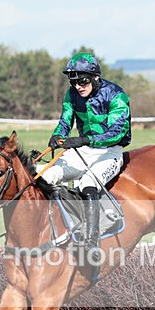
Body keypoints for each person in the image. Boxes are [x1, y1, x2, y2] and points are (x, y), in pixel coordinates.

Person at [39, 52, 132, 253]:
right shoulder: (72, 95)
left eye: (82, 81)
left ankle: (91, 240)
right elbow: (65, 121)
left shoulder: (116, 95)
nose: (78, 87)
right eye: (74, 83)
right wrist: (58, 137)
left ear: (95, 77)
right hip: (84, 150)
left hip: (110, 151)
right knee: (46, 177)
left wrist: (84, 139)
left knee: (88, 184)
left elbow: (117, 132)